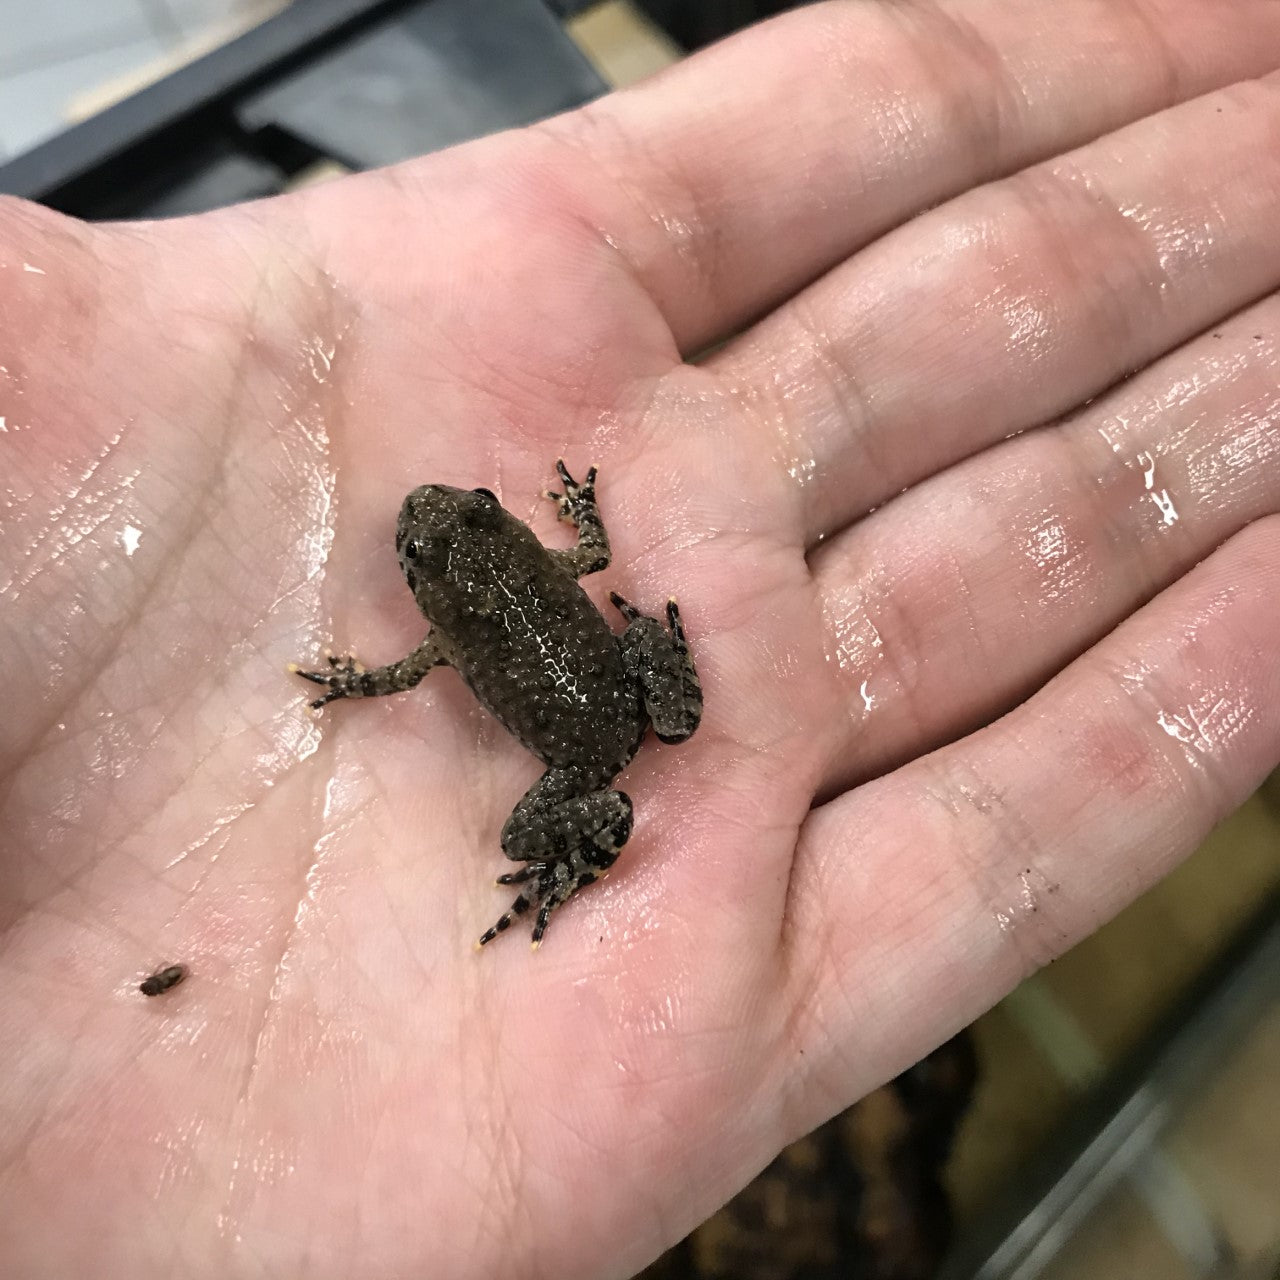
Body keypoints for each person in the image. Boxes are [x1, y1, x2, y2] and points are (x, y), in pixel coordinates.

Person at [1, 1, 1277, 1275]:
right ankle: (574, 835)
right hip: (619, 697)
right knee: (613, 730)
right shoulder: (526, 588)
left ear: (469, 580)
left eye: (454, 535)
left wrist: (357, 677)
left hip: (593, 734)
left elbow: (414, 662)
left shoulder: (447, 643)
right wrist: (582, 542)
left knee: (532, 828)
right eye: (440, 547)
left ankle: (559, 861)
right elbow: (595, 562)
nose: (438, 531)